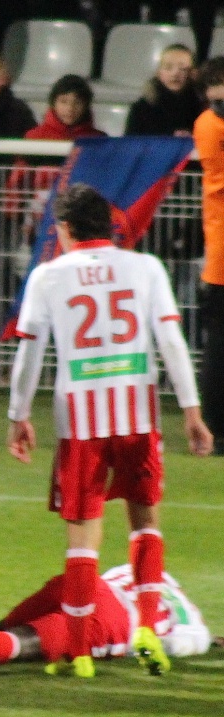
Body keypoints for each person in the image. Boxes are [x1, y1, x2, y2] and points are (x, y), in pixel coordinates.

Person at [6, 183, 212, 679]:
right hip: (138, 419)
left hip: (81, 424)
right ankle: (147, 630)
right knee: (145, 523)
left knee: (83, 537)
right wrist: (191, 411)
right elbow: (171, 340)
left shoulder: (49, 275)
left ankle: (79, 652)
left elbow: (30, 352)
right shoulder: (145, 267)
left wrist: (19, 414)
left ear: (66, 229)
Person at [0, 564, 213, 670]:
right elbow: (171, 646)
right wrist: (209, 642)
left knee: (5, 627)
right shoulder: (195, 629)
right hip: (115, 620)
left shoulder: (158, 574)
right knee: (23, 642)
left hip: (85, 583)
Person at [193, 57, 224, 452]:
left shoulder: (207, 121)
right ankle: (216, 430)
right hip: (221, 257)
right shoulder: (211, 124)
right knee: (218, 348)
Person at [125, 44, 202, 138]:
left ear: (194, 73)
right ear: (159, 72)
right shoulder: (142, 108)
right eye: (168, 67)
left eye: (183, 69)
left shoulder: (202, 107)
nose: (175, 73)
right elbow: (131, 143)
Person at [24, 75, 105, 142]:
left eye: (77, 102)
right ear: (53, 103)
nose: (70, 108)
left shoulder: (99, 139)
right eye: (63, 101)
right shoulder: (35, 137)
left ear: (86, 106)